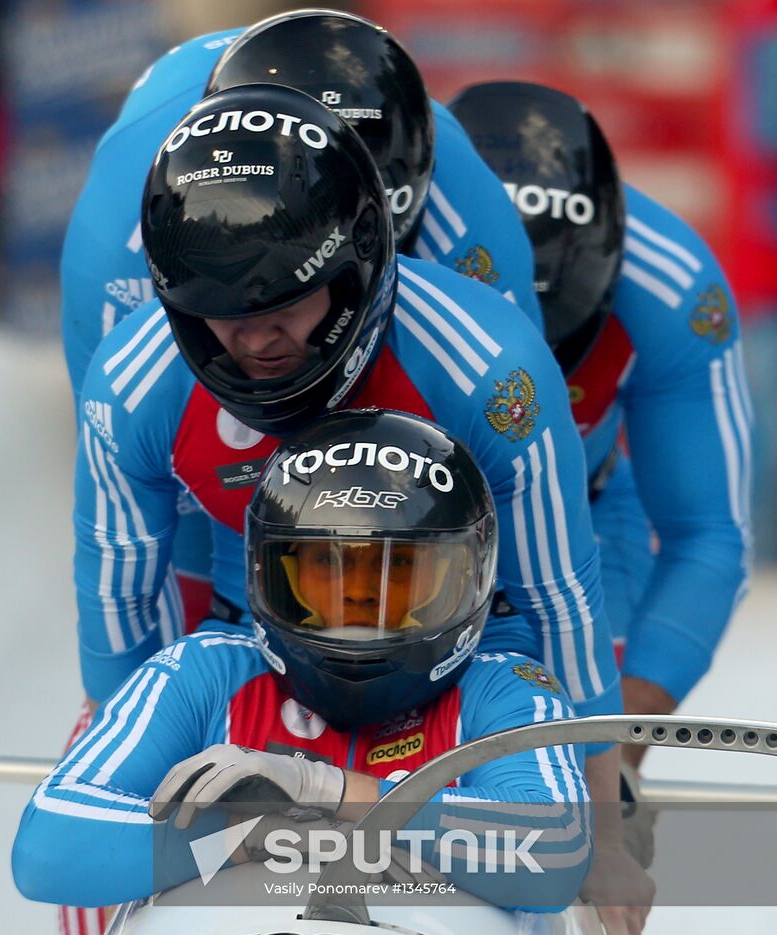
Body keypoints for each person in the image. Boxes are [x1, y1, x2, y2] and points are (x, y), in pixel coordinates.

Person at [69, 83, 648, 935]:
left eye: (281, 308)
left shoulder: (487, 367)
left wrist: (601, 823)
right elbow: (121, 616)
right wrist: (188, 810)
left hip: (457, 640)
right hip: (253, 625)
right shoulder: (132, 385)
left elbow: (554, 597)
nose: (253, 342)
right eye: (222, 316)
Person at [59, 9, 542, 642]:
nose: (258, 332)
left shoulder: (466, 216)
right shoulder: (117, 248)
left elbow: (519, 457)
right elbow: (139, 485)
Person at [14, 409, 593, 913]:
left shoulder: (509, 691)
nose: (363, 594)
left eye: (402, 572)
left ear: (467, 580)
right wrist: (241, 837)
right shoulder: (204, 675)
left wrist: (327, 790)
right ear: (273, 574)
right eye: (330, 566)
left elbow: (558, 849)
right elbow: (49, 849)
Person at [447, 82, 753, 782]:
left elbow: (708, 534)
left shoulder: (671, 288)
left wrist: (615, 749)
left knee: (580, 772)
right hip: (404, 521)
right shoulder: (379, 249)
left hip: (581, 513)